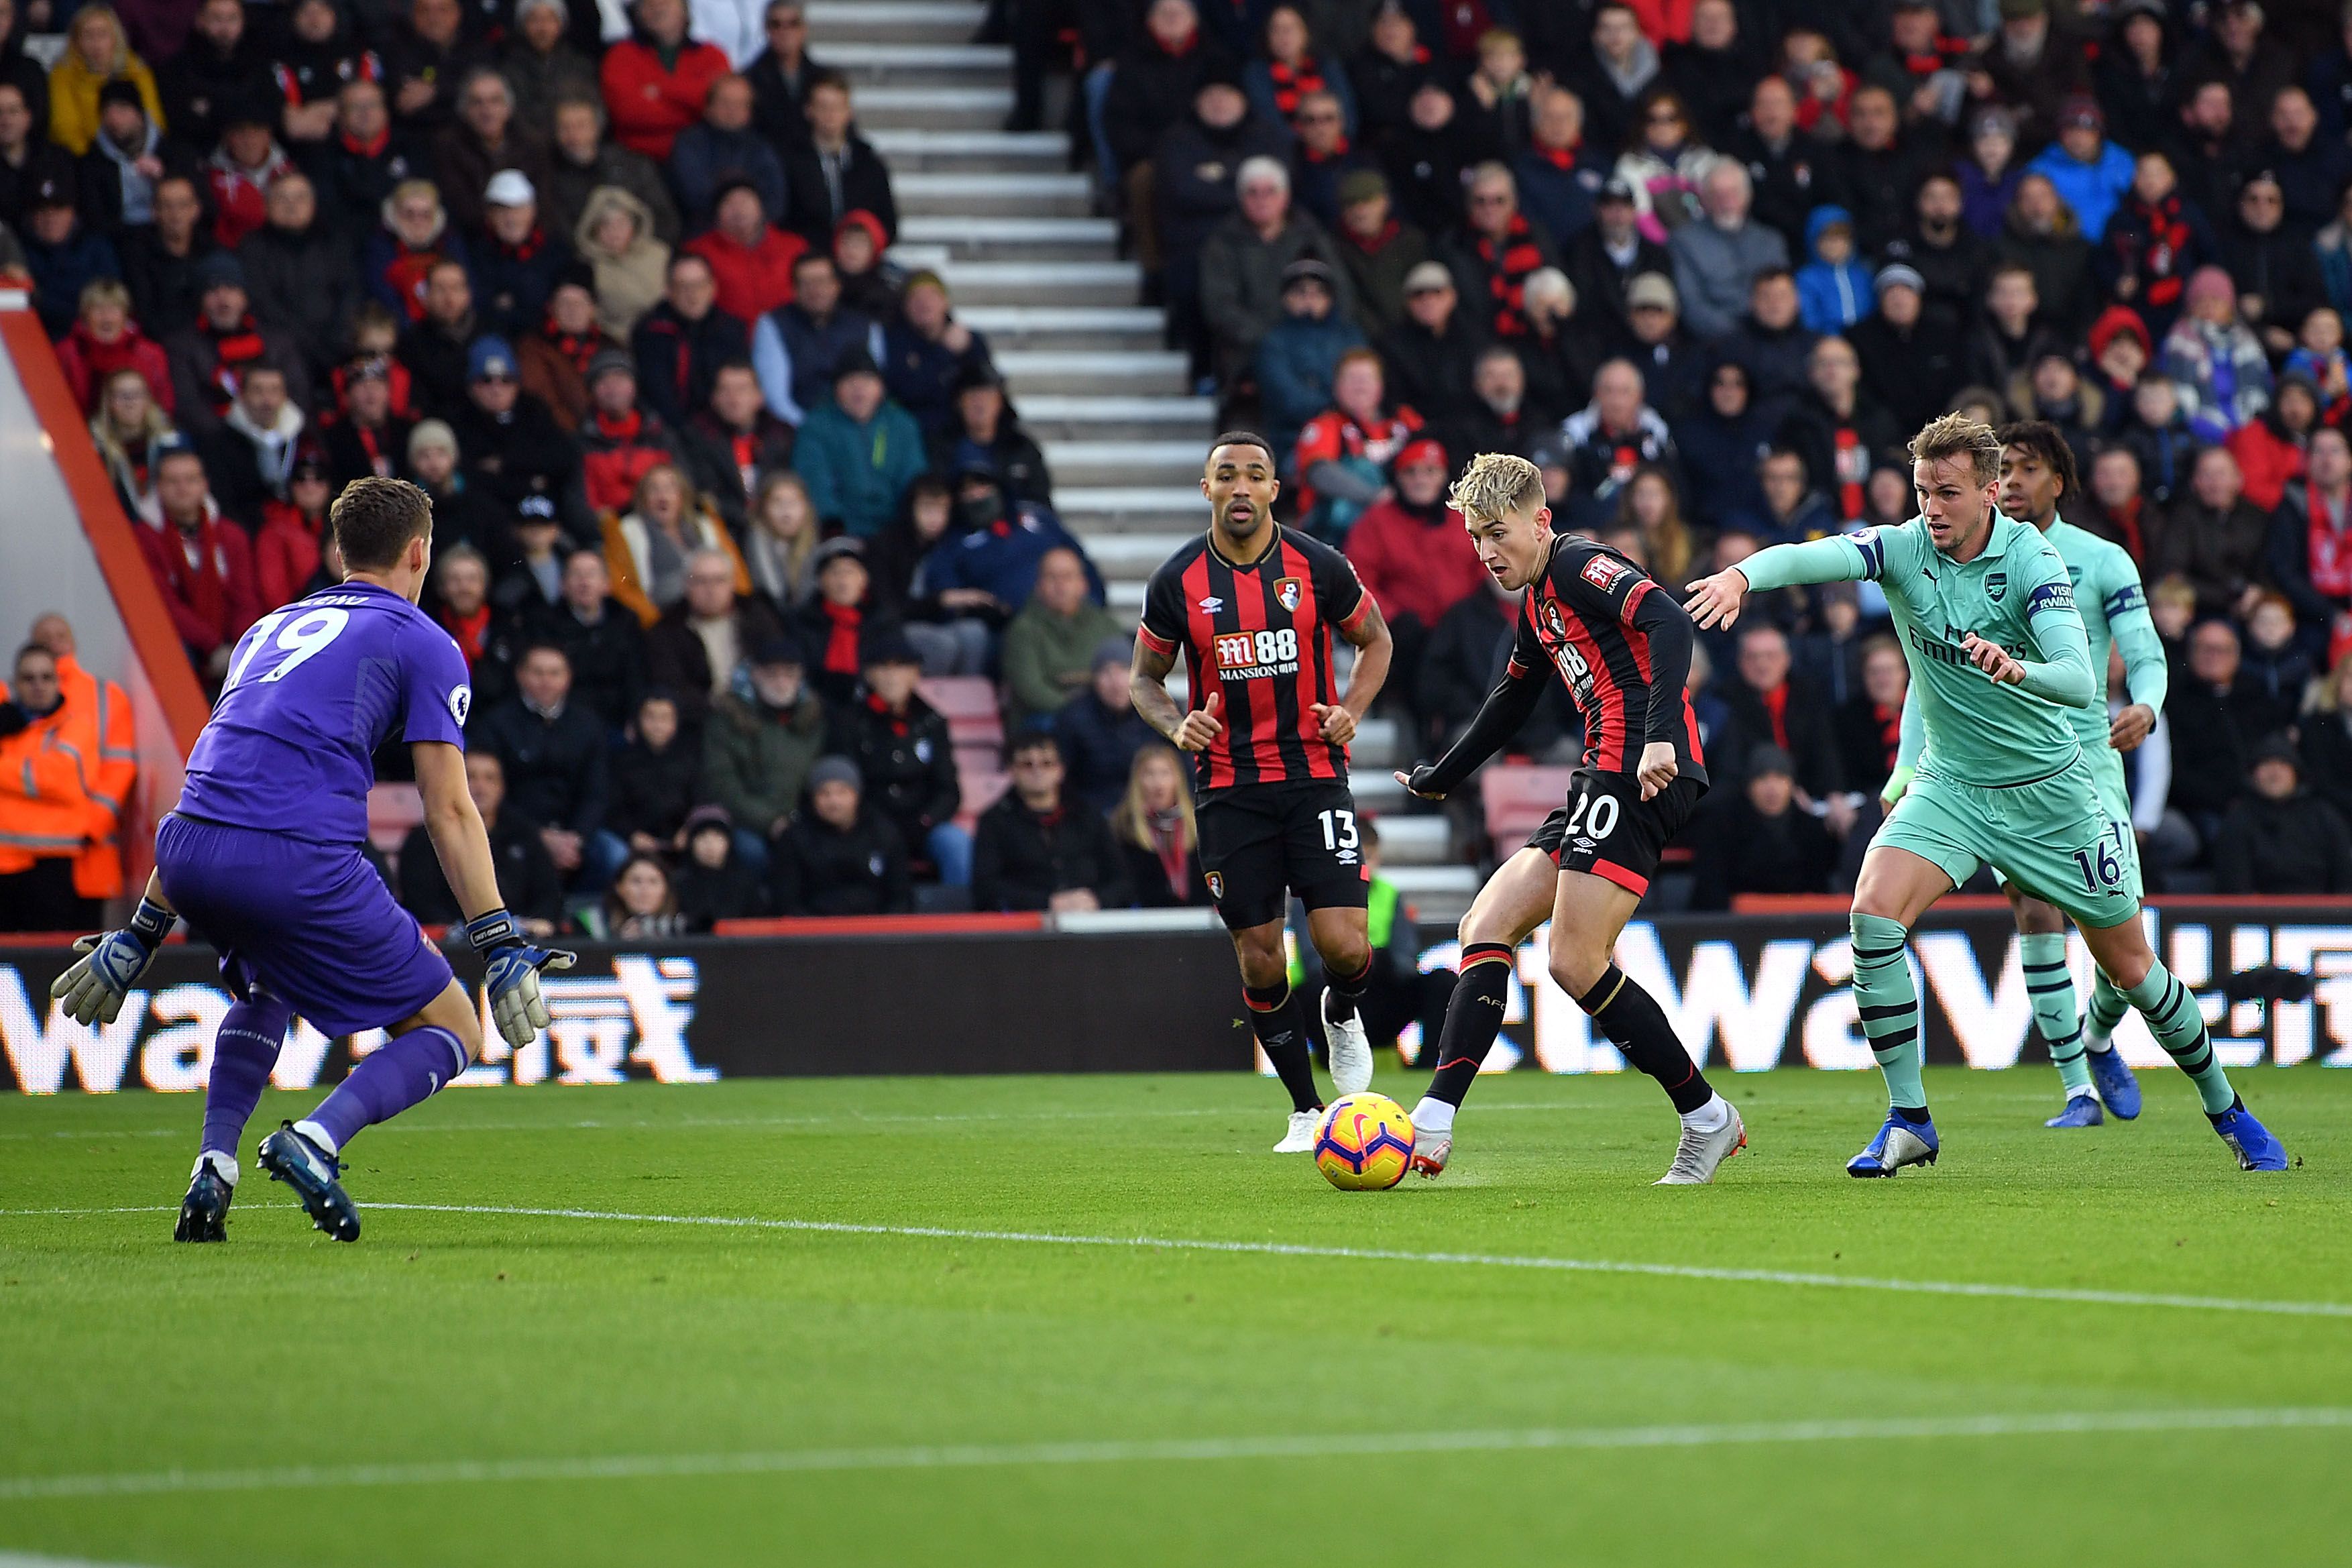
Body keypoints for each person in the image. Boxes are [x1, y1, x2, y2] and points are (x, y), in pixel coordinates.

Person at [1685, 413, 2286, 1174]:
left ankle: (2226, 1107)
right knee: (1872, 914)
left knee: (2132, 968)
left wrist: (2016, 668)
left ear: (1989, 492)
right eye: (1922, 491)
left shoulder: (2034, 561)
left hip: (2053, 794)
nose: (1932, 507)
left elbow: (2076, 675)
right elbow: (1823, 558)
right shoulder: (1905, 548)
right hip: (1955, 785)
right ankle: (1909, 1118)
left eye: (1948, 493)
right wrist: (1743, 575)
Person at [50, 476, 573, 1245]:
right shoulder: (423, 639)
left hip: (190, 848)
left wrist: (142, 931)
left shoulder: (268, 628)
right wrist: (498, 940)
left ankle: (213, 1168)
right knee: (455, 1025)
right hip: (292, 858)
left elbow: (215, 779)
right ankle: (317, 1141)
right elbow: (450, 807)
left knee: (268, 985)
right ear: (420, 553)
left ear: (338, 552)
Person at [1391, 452, 1736, 1184]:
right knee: (1484, 925)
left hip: (1641, 770)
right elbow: (1511, 700)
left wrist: (1661, 732)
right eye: (1475, 537)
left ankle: (1706, 1118)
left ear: (1540, 521)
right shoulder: (1540, 600)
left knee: (1575, 961)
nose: (1486, 551)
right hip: (1600, 777)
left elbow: (1669, 622)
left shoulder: (1578, 564)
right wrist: (1440, 777)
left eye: (1498, 532)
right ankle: (1435, 1119)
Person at [1890, 423, 2168, 1127]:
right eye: (2004, 468)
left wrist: (2147, 704)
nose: (2012, 480)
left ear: (2058, 482)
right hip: (2000, 768)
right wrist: (1904, 768)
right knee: (2034, 909)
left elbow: (2143, 648)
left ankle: (2101, 1034)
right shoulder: (1952, 559)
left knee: (2122, 940)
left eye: (2026, 468)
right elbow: (1930, 678)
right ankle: (2076, 1086)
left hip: (2090, 759)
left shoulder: (2100, 560)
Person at [1130, 433, 1393, 1151]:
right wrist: (1176, 723)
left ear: (1276, 488)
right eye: (1226, 475)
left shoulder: (1319, 565)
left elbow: (1377, 640)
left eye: (1255, 475)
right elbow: (1143, 680)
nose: (1240, 487)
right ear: (1206, 488)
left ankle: (1342, 1009)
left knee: (1343, 946)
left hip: (1313, 777)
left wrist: (1353, 712)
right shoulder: (1177, 580)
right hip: (1228, 790)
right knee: (1260, 957)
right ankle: (1307, 1110)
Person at [474, 639, 621, 893]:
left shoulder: (588, 725)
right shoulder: (497, 724)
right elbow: (491, 790)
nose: (546, 681)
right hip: (514, 830)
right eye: (538, 672)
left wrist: (576, 838)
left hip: (577, 835)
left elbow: (596, 792)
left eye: (555, 673)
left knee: (616, 856)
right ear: (521, 675)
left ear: (568, 678)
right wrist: (539, 836)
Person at [829, 631, 966, 885]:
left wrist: (926, 821)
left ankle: (961, 922)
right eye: (883, 668)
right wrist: (875, 824)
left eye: (901, 667)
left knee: (955, 842)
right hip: (869, 824)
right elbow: (846, 781)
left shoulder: (932, 721)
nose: (892, 677)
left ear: (916, 674)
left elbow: (949, 789)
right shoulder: (849, 722)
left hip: (923, 824)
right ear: (869, 675)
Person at [398, 748, 562, 933]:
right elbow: (420, 902)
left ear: (502, 787)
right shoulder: (422, 839)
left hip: (519, 940)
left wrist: (539, 924)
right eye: (470, 777)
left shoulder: (525, 835)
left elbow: (548, 896)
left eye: (490, 779)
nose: (480, 787)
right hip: (451, 947)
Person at [970, 730, 1131, 915]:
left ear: (1060, 770)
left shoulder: (1088, 814)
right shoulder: (994, 821)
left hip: (1093, 921)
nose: (1037, 771)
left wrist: (1096, 899)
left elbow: (1122, 880)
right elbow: (985, 888)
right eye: (1027, 765)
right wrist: (1046, 903)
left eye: (1046, 764)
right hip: (1026, 926)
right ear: (1012, 770)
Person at [138, 445, 260, 688]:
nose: (183, 489)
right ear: (158, 488)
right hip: (183, 647)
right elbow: (166, 605)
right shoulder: (145, 538)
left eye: (191, 480)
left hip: (231, 645)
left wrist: (238, 647)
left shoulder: (231, 535)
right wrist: (213, 645)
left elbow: (245, 598)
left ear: (205, 485)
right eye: (173, 481)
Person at [703, 634, 824, 863]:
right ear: (755, 674)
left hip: (803, 821)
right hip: (745, 821)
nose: (781, 682)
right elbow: (721, 783)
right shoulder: (728, 717)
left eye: (789, 674)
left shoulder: (814, 719)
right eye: (772, 674)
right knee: (751, 852)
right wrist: (770, 821)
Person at [643, 545, 785, 726]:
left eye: (720, 580)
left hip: (761, 713)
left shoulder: (757, 615)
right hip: (701, 722)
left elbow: (778, 661)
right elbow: (672, 686)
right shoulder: (667, 629)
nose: (711, 590)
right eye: (701, 581)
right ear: (686, 584)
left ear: (732, 583)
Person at [791, 351, 924, 537]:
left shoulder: (902, 424)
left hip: (896, 534)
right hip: (838, 533)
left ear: (881, 387)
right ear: (836, 388)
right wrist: (835, 531)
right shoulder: (816, 427)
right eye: (850, 381)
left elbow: (913, 480)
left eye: (867, 380)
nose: (859, 388)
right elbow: (815, 484)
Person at [1686, 744, 1836, 908]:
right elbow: (1710, 890)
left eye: (1780, 777)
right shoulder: (1722, 827)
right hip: (1737, 924)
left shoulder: (1811, 830)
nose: (1772, 788)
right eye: (1763, 778)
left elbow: (1819, 892)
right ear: (1749, 786)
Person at [2212, 736, 2352, 896]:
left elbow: (2345, 882)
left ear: (2296, 773)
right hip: (2260, 916)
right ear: (2253, 774)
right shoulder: (2238, 820)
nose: (2275, 773)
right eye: (2266, 765)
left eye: (2282, 765)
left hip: (2321, 915)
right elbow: (2234, 888)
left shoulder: (2325, 817)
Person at [1002, 545, 1123, 728]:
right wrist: (1078, 712)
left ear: (1083, 584)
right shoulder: (1022, 630)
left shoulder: (1106, 626)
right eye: (1052, 578)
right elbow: (1031, 689)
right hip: (1045, 718)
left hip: (1101, 714)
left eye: (1067, 577)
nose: (1060, 586)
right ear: (1039, 586)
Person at [771, 754, 909, 915]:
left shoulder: (883, 833)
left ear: (857, 795)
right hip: (815, 933)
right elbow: (787, 901)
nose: (834, 801)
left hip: (875, 932)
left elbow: (900, 897)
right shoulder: (795, 838)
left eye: (842, 792)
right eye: (824, 793)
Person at [1056, 637, 1156, 814]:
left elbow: (1184, 770)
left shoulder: (1159, 711)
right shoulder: (1074, 718)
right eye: (1106, 673)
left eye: (1124, 670)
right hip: (1094, 811)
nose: (1116, 683)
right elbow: (1063, 780)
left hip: (1153, 806)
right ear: (1094, 680)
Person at [1109, 742, 1208, 907]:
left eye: (1165, 773)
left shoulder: (1198, 824)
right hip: (1145, 923)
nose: (1158, 784)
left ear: (1178, 779)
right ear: (1137, 781)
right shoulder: (1122, 828)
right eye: (1149, 774)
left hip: (1196, 922)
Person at [610, 689, 699, 857]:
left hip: (681, 843)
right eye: (650, 717)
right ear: (638, 720)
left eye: (665, 718)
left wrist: (690, 830)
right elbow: (613, 808)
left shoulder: (690, 760)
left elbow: (701, 800)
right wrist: (631, 834)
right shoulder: (621, 761)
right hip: (636, 844)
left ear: (676, 722)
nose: (658, 725)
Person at [675, 803, 765, 925]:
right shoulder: (679, 883)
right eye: (702, 836)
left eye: (718, 836)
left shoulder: (744, 881)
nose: (710, 844)